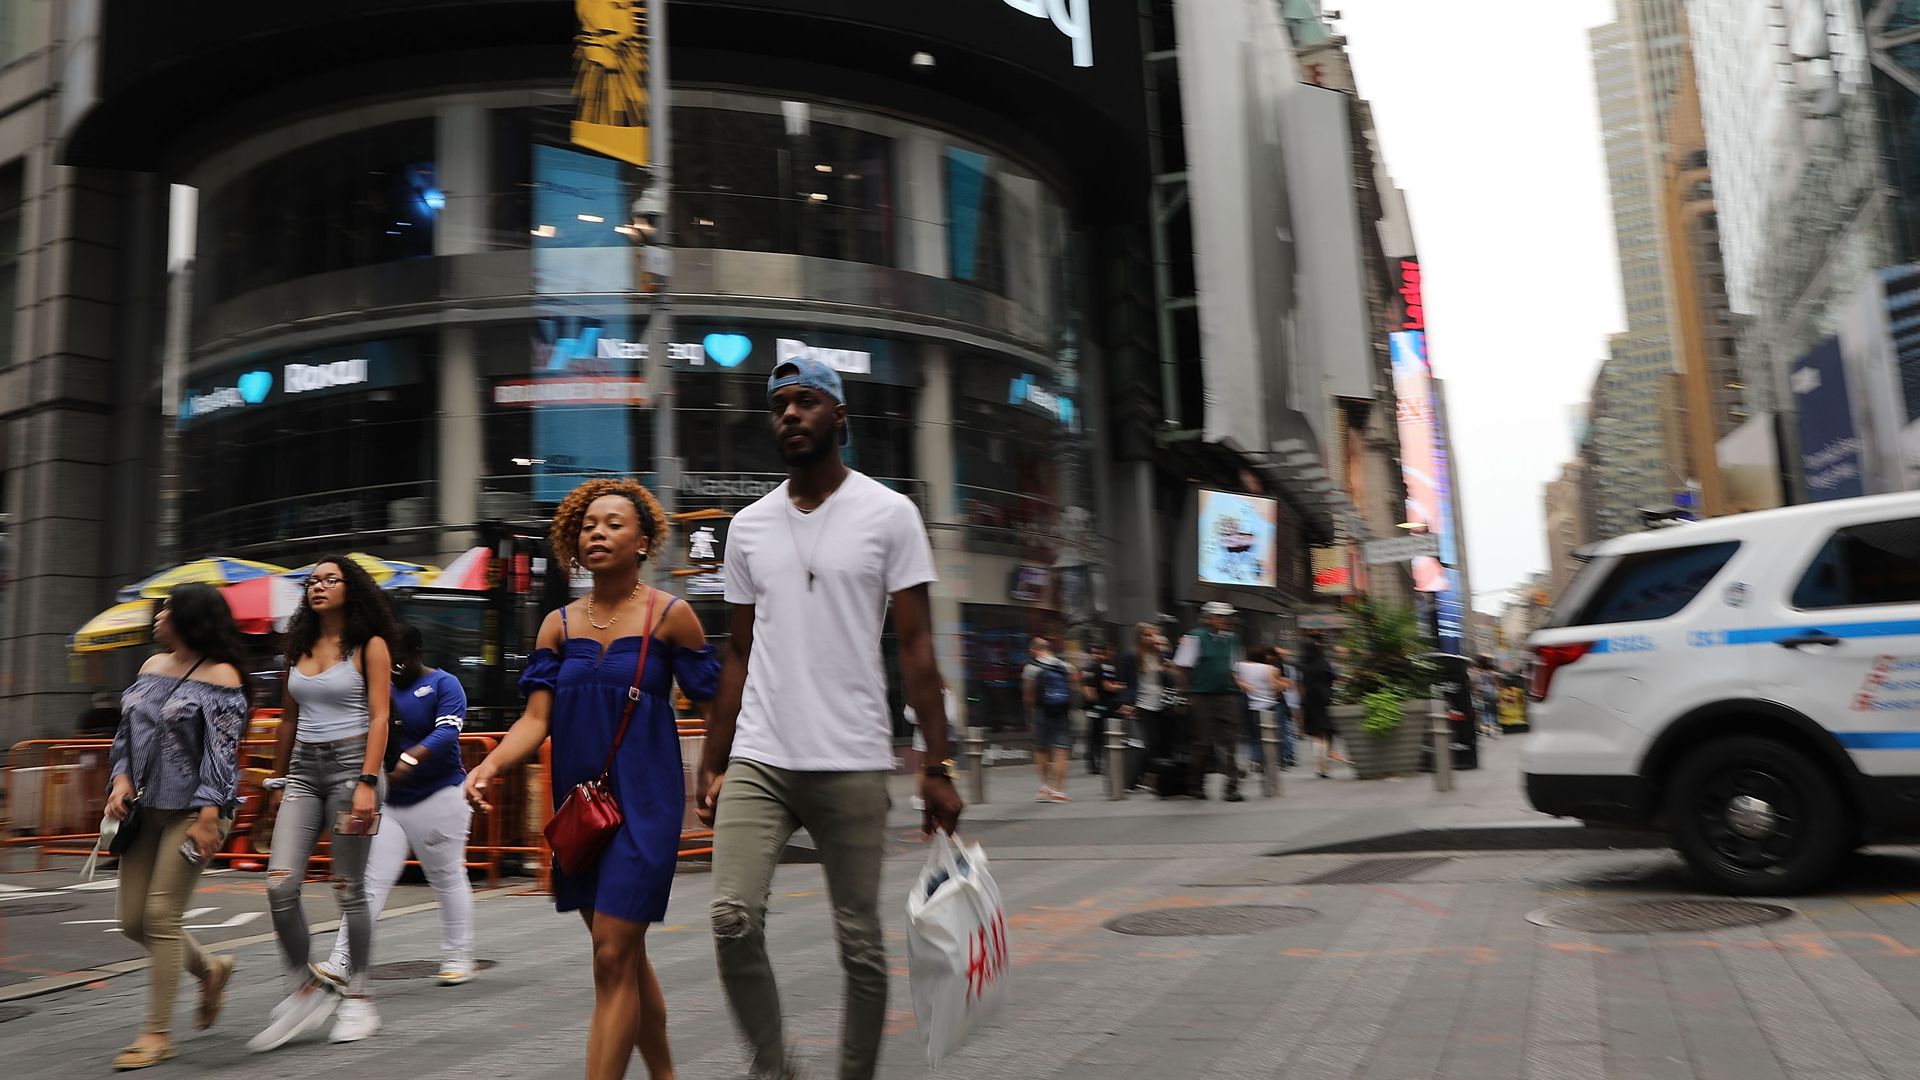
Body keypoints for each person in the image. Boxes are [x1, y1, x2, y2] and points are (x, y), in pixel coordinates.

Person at [696, 355, 961, 1080]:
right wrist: (715, 758)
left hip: (850, 756)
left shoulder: (889, 514)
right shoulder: (748, 527)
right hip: (763, 754)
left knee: (860, 946)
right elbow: (739, 653)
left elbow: (916, 648)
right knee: (730, 918)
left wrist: (937, 765)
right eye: (779, 404)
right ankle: (776, 1065)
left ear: (839, 416)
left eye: (806, 401)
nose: (790, 414)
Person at [465, 478, 717, 1080]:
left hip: (646, 803)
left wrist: (720, 771)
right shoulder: (557, 625)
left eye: (612, 523)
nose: (597, 532)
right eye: (587, 525)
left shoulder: (671, 616)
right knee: (623, 957)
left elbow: (716, 705)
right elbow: (536, 719)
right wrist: (491, 762)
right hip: (581, 813)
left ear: (644, 540)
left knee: (610, 955)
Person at [249, 556, 396, 1051]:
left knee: (348, 888)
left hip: (354, 768)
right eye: (312, 580)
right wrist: (275, 780)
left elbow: (380, 718)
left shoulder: (368, 645)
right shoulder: (298, 647)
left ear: (350, 589)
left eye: (330, 579)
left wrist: (368, 782)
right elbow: (288, 721)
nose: (318, 586)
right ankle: (304, 988)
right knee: (279, 885)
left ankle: (359, 998)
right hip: (304, 775)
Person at [104, 584, 250, 1070]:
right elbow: (126, 736)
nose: (158, 614)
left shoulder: (221, 677)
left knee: (161, 917)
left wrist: (210, 816)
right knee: (132, 921)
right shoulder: (149, 669)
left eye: (167, 607)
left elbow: (221, 756)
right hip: (146, 810)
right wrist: (120, 780)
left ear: (189, 618)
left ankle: (156, 1034)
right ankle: (210, 971)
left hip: (197, 812)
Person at [319, 623, 476, 988]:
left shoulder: (443, 684)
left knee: (447, 876)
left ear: (417, 652)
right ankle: (342, 960)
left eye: (400, 660)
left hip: (439, 796)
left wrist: (411, 758)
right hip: (389, 801)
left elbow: (448, 730)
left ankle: (458, 957)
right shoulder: (381, 687)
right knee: (369, 881)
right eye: (389, 662)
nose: (394, 668)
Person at [1172, 601, 1247, 801]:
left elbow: (1235, 667)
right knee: (1202, 742)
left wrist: (1240, 683)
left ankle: (1231, 787)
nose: (1225, 620)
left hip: (1227, 694)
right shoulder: (1194, 637)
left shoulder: (1233, 639)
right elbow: (1181, 667)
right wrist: (1184, 695)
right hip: (1200, 695)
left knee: (1230, 741)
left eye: (1227, 617)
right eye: (1220, 616)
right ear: (1208, 618)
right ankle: (1195, 784)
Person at [1022, 636, 1079, 802]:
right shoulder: (1067, 667)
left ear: (1033, 650)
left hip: (1041, 712)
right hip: (1062, 712)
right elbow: (1074, 691)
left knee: (1041, 748)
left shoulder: (1031, 668)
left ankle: (1045, 785)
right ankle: (1059, 791)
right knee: (1061, 750)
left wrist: (1029, 717)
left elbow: (1028, 696)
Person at [1119, 622, 1171, 792]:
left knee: (1160, 743)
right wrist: (1127, 702)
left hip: (1161, 702)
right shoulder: (1131, 655)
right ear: (1139, 637)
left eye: (1152, 634)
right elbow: (1126, 682)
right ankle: (1133, 781)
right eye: (1146, 635)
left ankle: (1149, 777)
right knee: (1150, 742)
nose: (1150, 638)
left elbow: (1166, 679)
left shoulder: (1160, 655)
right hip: (1142, 703)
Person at [1235, 646, 1285, 777]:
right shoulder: (1269, 669)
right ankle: (1263, 761)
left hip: (1248, 705)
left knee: (1251, 736)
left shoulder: (1239, 666)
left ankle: (1250, 761)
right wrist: (1285, 684)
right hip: (1268, 706)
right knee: (1268, 737)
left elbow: (1232, 676)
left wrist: (1242, 684)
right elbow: (1275, 686)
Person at [1300, 633, 1341, 778]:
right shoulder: (1323, 662)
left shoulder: (1304, 665)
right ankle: (1325, 767)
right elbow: (1333, 677)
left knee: (1316, 734)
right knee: (1325, 732)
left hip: (1309, 699)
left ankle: (1319, 766)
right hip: (1324, 698)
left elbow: (1301, 683)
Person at [1082, 641, 1123, 775]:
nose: (1096, 656)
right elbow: (1092, 689)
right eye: (1094, 653)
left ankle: (1095, 763)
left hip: (1099, 706)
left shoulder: (1100, 667)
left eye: (1099, 653)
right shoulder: (1097, 668)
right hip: (1099, 706)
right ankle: (1094, 763)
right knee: (1096, 735)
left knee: (1096, 735)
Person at [1276, 646, 1303, 768]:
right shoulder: (1283, 667)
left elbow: (1292, 684)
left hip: (1289, 699)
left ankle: (1289, 755)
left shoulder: (1288, 668)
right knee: (1287, 728)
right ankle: (1289, 755)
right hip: (1287, 699)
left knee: (1286, 728)